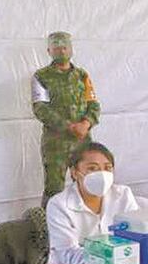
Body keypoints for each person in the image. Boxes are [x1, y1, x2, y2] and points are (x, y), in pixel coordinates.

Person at [32, 31, 100, 206]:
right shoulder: (41, 77)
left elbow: (93, 104)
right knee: (54, 189)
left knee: (88, 182)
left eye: (65, 47)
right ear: (49, 51)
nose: (61, 51)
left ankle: (88, 224)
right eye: (56, 48)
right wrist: (68, 126)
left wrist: (86, 123)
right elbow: (40, 108)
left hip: (82, 141)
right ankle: (48, 228)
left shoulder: (82, 76)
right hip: (56, 144)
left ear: (71, 50)